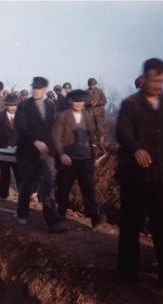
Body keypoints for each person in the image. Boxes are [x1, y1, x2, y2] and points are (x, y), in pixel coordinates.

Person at [116, 58, 163, 289]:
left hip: (161, 178)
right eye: (155, 80)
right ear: (144, 78)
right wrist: (136, 148)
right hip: (134, 177)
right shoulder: (131, 104)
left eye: (162, 81)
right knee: (130, 223)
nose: (158, 85)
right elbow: (122, 131)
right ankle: (127, 272)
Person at [15, 76, 66, 233]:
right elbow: (21, 128)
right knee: (26, 186)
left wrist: (57, 150)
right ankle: (22, 214)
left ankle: (52, 222)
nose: (35, 91)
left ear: (44, 90)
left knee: (48, 185)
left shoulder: (50, 106)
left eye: (39, 88)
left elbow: (53, 128)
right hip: (27, 153)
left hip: (46, 154)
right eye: (34, 88)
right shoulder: (24, 106)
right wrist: (34, 142)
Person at [52, 89, 107, 227]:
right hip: (68, 159)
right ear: (70, 101)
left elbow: (91, 137)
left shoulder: (88, 116)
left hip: (85, 158)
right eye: (75, 101)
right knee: (64, 187)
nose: (78, 104)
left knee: (88, 188)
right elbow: (56, 137)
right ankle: (61, 214)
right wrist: (61, 154)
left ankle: (95, 216)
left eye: (81, 101)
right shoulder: (62, 116)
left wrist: (95, 155)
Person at [0, 93, 19, 201]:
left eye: (15, 105)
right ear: (6, 105)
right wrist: (5, 146)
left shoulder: (20, 117)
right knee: (5, 172)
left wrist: (19, 145)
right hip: (4, 149)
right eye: (11, 105)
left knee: (19, 172)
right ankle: (3, 195)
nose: (13, 108)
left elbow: (23, 133)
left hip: (18, 149)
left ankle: (22, 196)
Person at [86, 77, 107, 146]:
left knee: (100, 128)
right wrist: (89, 103)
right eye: (91, 85)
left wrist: (97, 103)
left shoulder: (100, 91)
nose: (93, 86)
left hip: (98, 112)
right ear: (89, 85)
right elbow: (84, 102)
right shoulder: (86, 92)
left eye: (94, 84)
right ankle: (92, 142)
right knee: (91, 128)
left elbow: (104, 100)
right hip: (89, 112)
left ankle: (102, 142)